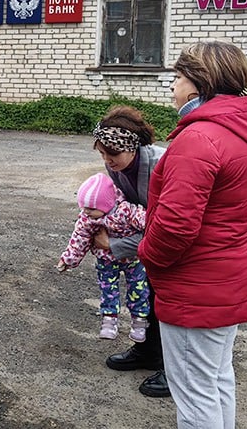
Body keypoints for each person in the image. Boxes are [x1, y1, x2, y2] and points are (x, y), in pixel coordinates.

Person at [138, 40, 247, 429]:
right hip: (227, 278)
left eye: (177, 77)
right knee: (216, 379)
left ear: (197, 82)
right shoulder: (241, 131)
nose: (172, 86)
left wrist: (147, 255)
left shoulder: (200, 138)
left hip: (196, 286)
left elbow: (175, 224)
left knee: (193, 392)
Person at [90, 105, 169, 397]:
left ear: (133, 147)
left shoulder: (161, 164)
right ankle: (148, 351)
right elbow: (119, 210)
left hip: (172, 244)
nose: (107, 161)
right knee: (146, 294)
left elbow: (163, 227)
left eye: (113, 153)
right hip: (144, 243)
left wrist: (114, 245)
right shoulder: (117, 168)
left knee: (168, 303)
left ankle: (174, 369)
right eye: (102, 154)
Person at [57, 173, 149, 341]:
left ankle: (139, 321)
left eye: (91, 209)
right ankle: (109, 320)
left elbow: (148, 222)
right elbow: (79, 238)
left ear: (106, 204)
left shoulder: (126, 211)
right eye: (83, 207)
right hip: (106, 260)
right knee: (108, 289)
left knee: (139, 289)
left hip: (132, 259)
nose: (86, 212)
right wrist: (68, 259)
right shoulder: (88, 219)